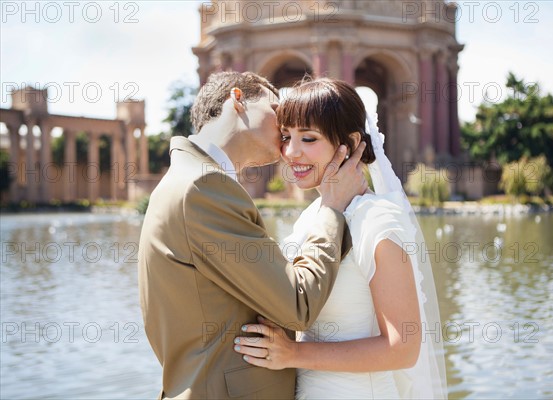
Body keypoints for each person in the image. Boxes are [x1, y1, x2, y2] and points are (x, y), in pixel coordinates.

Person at [137, 72, 368, 399]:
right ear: (238, 99)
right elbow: (297, 304)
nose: (285, 132)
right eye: (276, 111)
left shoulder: (190, 181)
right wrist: (331, 206)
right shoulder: (202, 188)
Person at [233, 78, 447, 399]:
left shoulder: (377, 221)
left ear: (349, 142)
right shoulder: (315, 216)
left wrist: (291, 354)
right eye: (287, 136)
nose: (291, 152)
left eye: (308, 138)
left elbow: (402, 348)